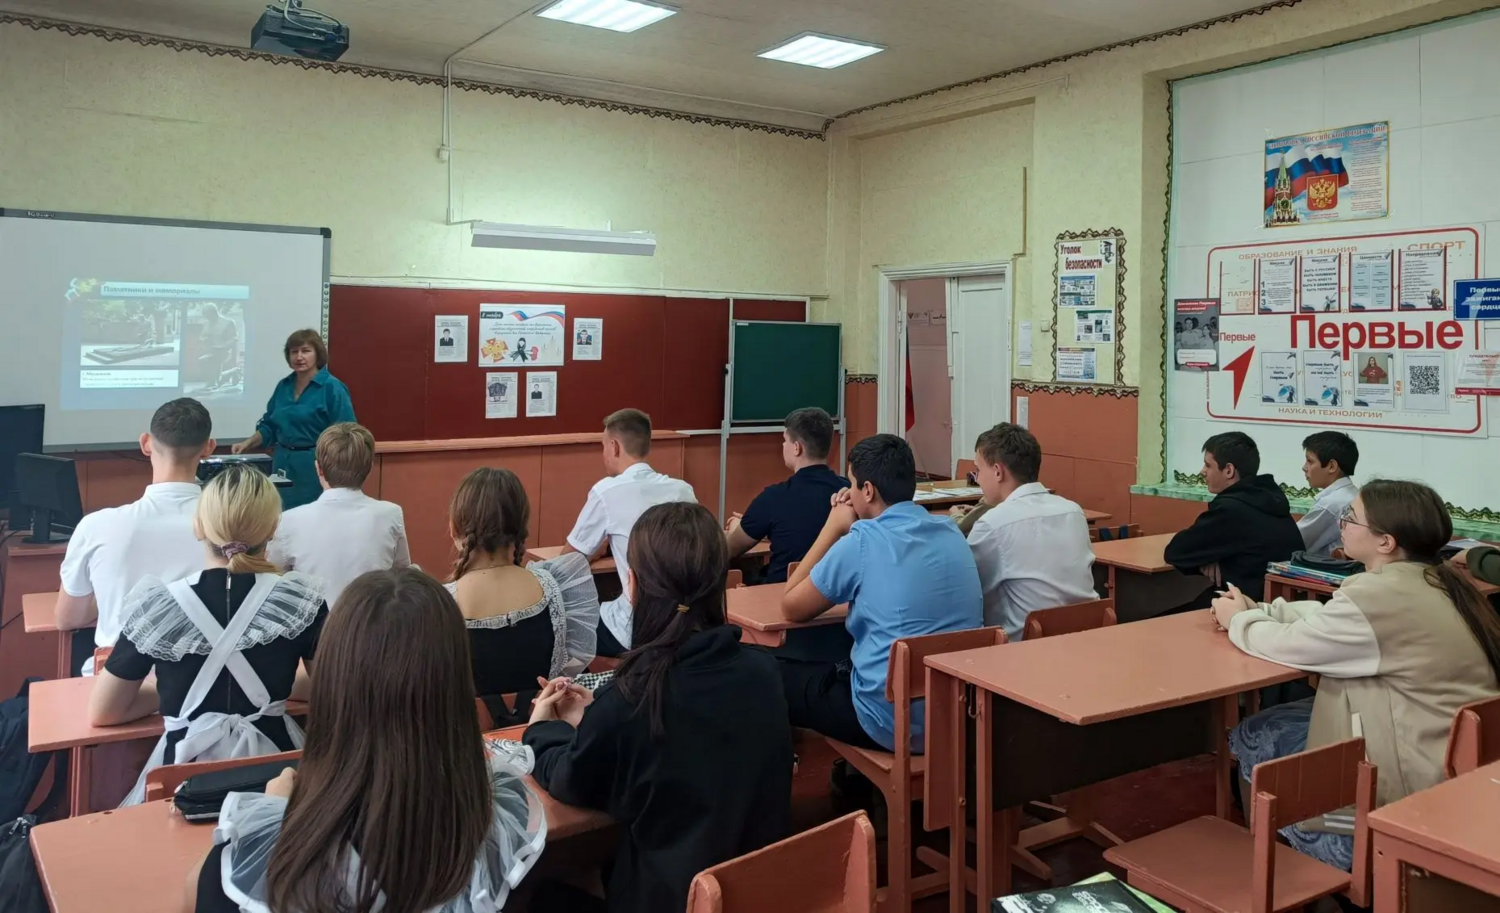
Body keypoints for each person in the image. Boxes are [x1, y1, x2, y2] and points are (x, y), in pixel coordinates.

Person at [189, 567, 547, 913]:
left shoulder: (257, 867)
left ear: (330, 687)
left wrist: (279, 816)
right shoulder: (502, 831)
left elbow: (200, 893)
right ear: (455, 688)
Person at [1215, 480, 1500, 871]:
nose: (1343, 524)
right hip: (1454, 766)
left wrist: (1239, 620)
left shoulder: (1381, 596)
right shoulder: (1434, 580)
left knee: (1254, 733)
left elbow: (1292, 645)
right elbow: (1333, 620)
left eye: (1351, 518)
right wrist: (1262, 610)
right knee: (1283, 723)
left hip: (1407, 789)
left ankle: (1285, 870)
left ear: (1386, 542)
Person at [525, 502, 792, 913]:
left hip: (674, 898)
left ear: (631, 586)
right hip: (754, 893)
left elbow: (567, 778)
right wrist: (595, 716)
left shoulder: (633, 700)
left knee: (538, 894)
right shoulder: (766, 673)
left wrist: (542, 727)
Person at [88, 465, 327, 805]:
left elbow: (104, 711)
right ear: (274, 528)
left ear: (198, 526)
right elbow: (330, 691)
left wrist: (169, 691)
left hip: (183, 787)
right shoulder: (298, 602)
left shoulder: (158, 607)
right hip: (275, 781)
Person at [780, 434, 983, 752]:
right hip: (955, 716)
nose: (847, 493)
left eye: (851, 484)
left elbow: (791, 606)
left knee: (768, 675)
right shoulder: (951, 532)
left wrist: (834, 526)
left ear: (868, 490)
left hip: (887, 720)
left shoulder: (861, 542)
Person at [56, 398, 216, 676]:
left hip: (118, 683)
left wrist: (111, 594)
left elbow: (67, 619)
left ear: (145, 443)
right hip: (207, 682)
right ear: (208, 448)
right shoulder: (233, 527)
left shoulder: (97, 526)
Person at [445, 467, 600, 722]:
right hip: (544, 732)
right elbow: (569, 674)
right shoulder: (560, 587)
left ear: (453, 528)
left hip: (466, 739)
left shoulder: (438, 606)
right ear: (521, 528)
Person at [566, 409, 695, 656]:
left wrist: (594, 552)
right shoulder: (683, 491)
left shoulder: (607, 491)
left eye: (603, 446)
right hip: (685, 622)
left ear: (614, 447)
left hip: (635, 627)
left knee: (569, 626)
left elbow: (569, 560)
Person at [965, 423, 1096, 640]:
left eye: (978, 470)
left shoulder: (992, 524)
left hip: (1024, 646)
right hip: (1085, 637)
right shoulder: (1073, 511)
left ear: (997, 471)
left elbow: (971, 592)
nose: (977, 479)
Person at [267, 423, 410, 607]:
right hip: (374, 620)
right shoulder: (390, 514)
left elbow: (271, 577)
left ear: (318, 468)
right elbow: (403, 574)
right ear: (369, 468)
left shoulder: (289, 521)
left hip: (317, 623)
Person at [1165, 431, 1303, 609]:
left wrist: (1207, 560)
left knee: (1153, 623)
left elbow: (1175, 552)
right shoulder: (1269, 499)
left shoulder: (1230, 510)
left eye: (1208, 465)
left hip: (1244, 607)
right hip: (1280, 606)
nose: (1202, 471)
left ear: (1229, 470)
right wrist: (1214, 559)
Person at [231, 329, 355, 511]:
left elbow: (346, 433)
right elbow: (270, 426)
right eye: (294, 351)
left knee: (312, 516)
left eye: (306, 351)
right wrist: (248, 443)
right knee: (278, 514)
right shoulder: (283, 386)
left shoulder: (332, 388)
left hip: (315, 467)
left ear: (318, 354)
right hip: (281, 464)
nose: (299, 357)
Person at [725, 407, 848, 584]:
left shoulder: (772, 498)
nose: (783, 445)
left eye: (784, 440)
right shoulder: (848, 492)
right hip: (838, 588)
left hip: (782, 589)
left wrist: (736, 528)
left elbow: (730, 549)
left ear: (797, 448)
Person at [1296, 431, 1360, 557]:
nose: (1304, 467)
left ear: (1331, 466)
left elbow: (1292, 540)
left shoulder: (1330, 505)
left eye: (1310, 461)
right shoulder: (1354, 494)